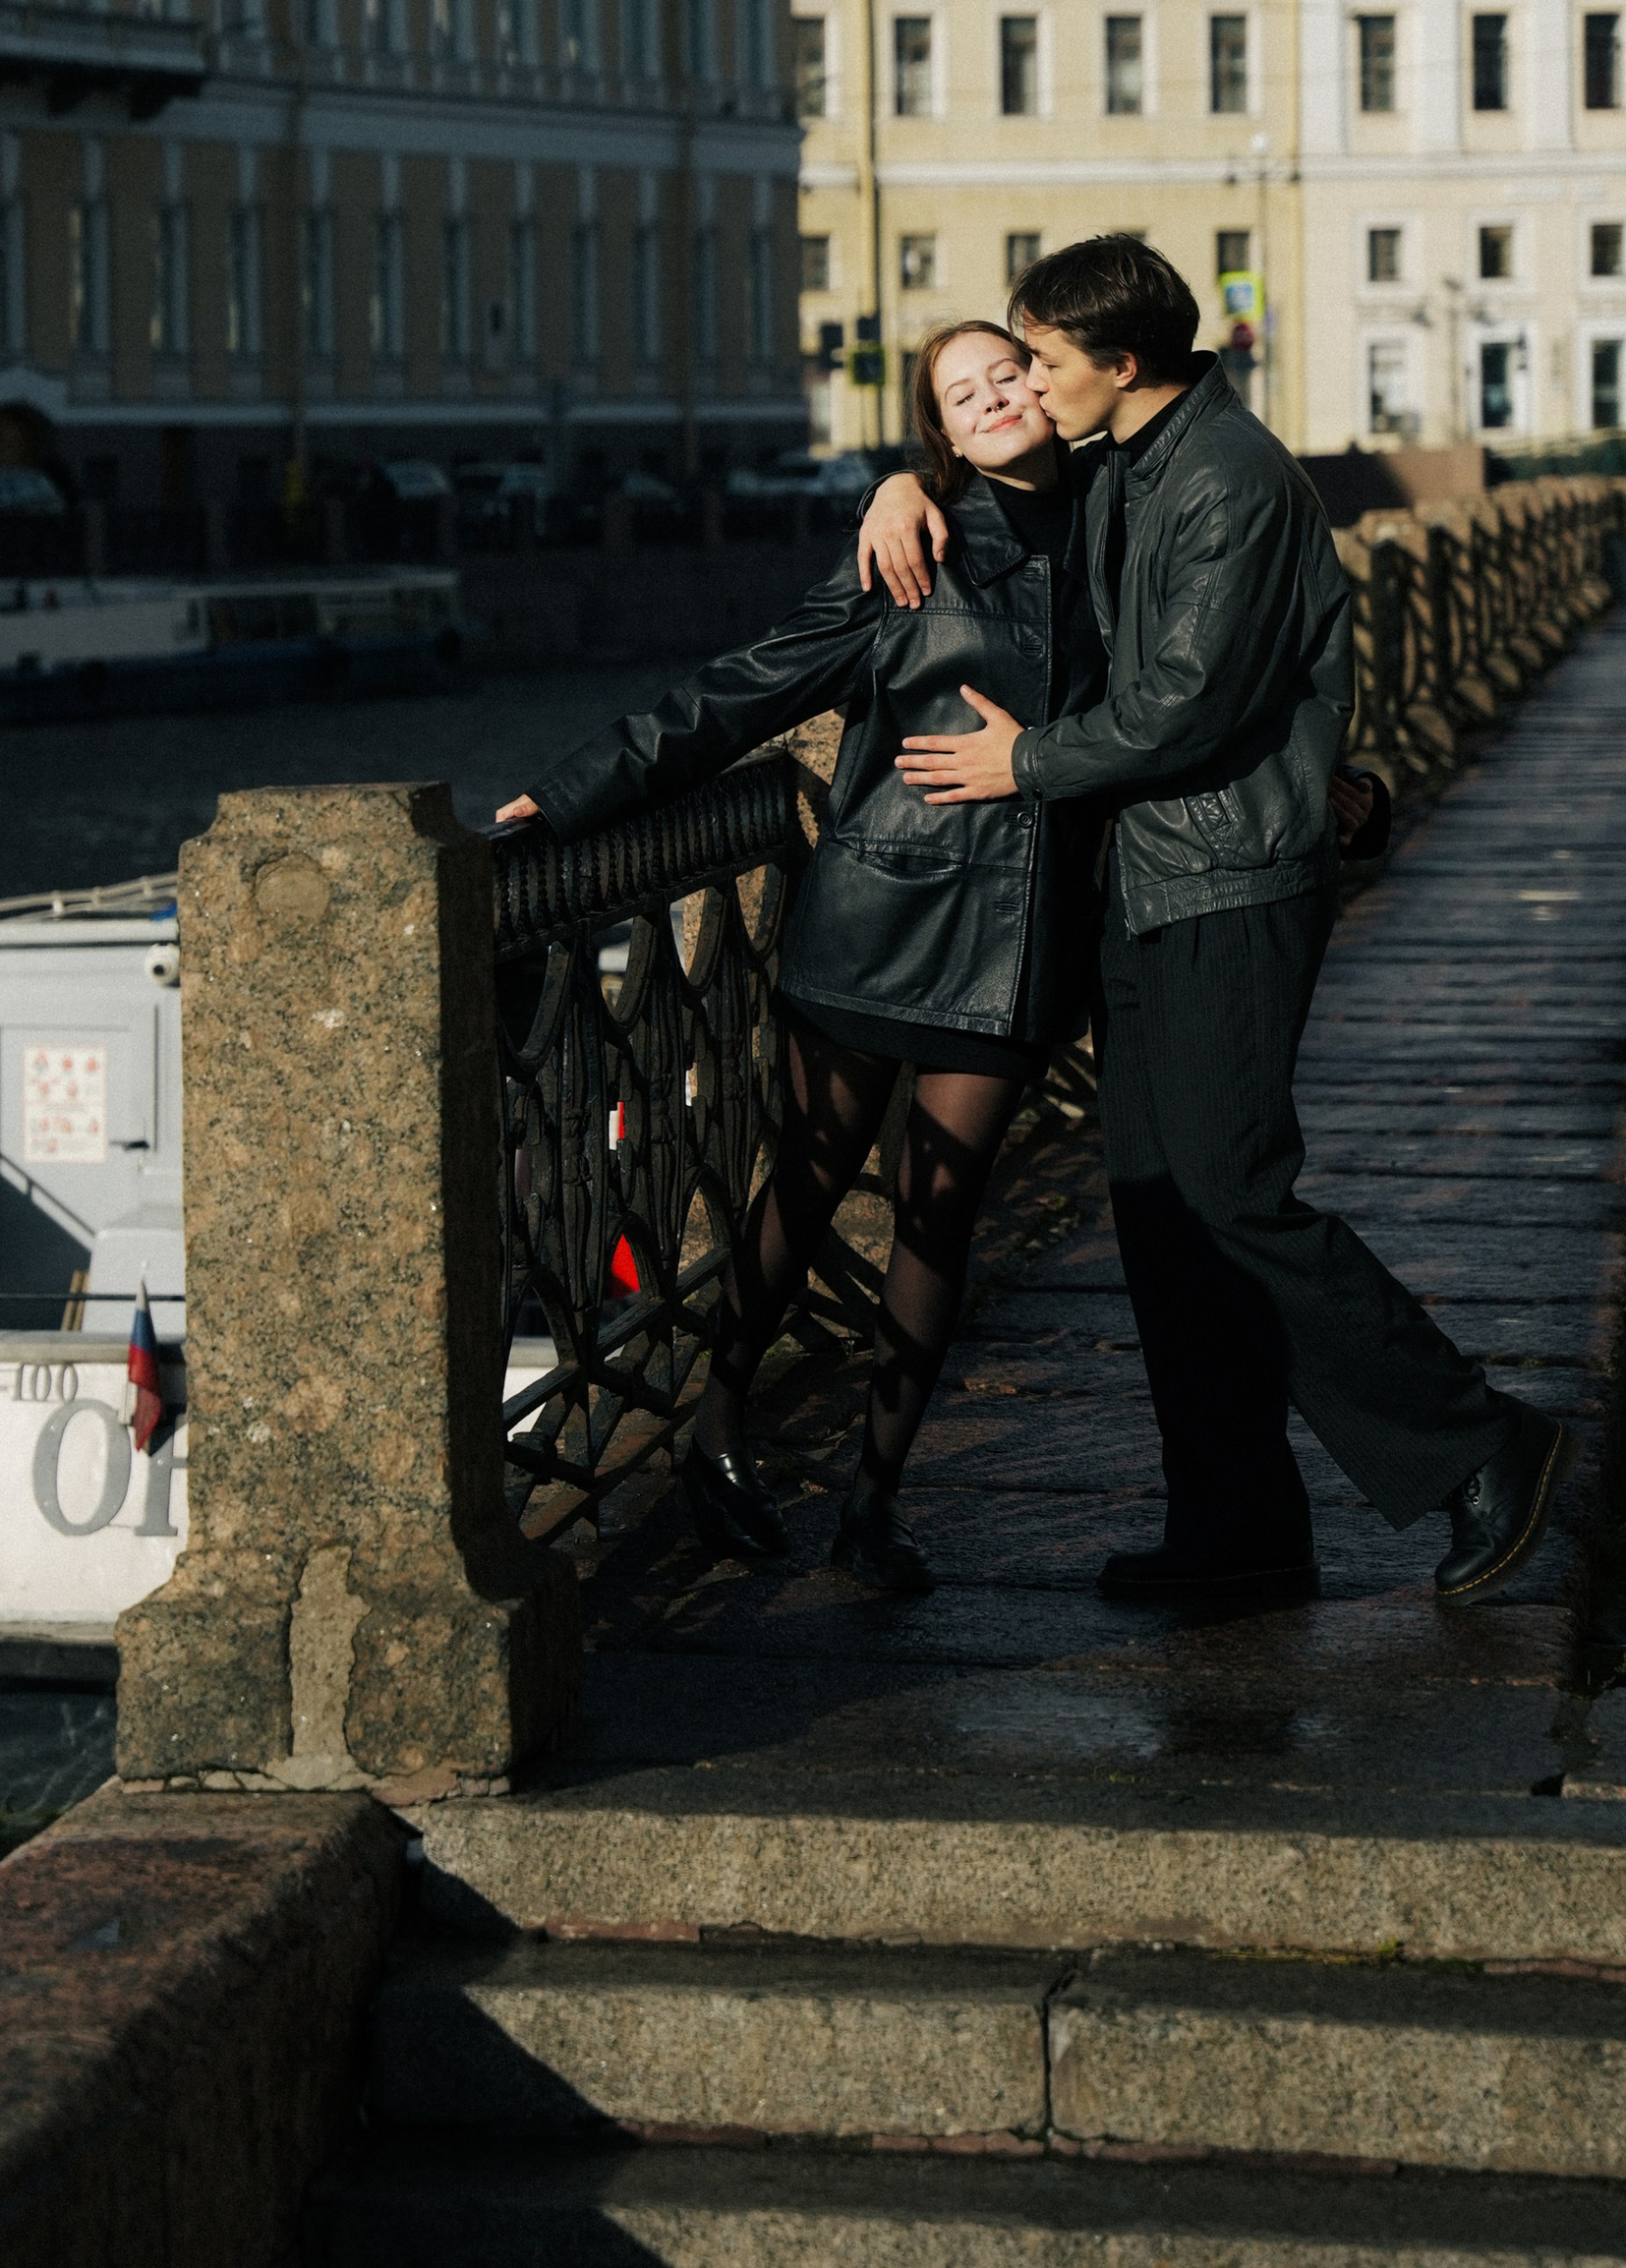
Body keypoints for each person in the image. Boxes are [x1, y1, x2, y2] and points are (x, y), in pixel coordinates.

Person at [858, 233, 1567, 1610]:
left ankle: (1485, 1445)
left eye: (1046, 360)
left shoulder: (1229, 478)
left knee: (1234, 1190)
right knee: (1160, 1214)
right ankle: (1237, 1523)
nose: (1031, 381)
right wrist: (902, 477)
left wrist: (1026, 763)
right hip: (1155, 874)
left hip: (1229, 878)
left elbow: (1185, 698)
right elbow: (1022, 508)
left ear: (1119, 366)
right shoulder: (1137, 453)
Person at [494, 321, 1108, 1597]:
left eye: (1007, 374)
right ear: (939, 430)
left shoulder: (1128, 524)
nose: (994, 397)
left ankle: (874, 1501)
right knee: (808, 1184)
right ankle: (718, 1418)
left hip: (1018, 930)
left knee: (943, 1219)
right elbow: (743, 688)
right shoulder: (915, 544)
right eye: (961, 392)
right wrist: (568, 797)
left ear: (1048, 384)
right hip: (876, 916)